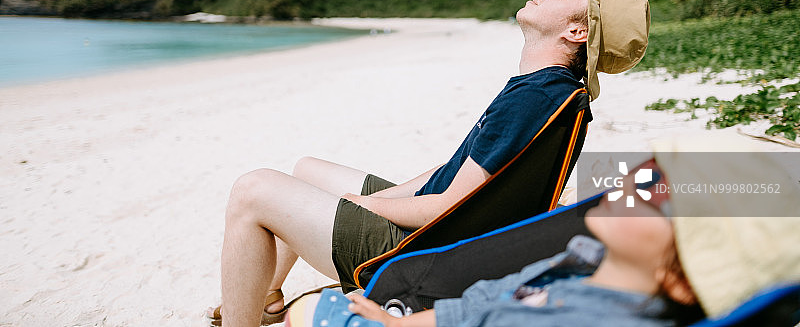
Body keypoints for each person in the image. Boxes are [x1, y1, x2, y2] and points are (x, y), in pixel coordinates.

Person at [207, 0, 651, 327]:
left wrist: (365, 207)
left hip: (412, 250)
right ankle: (266, 297)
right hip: (438, 228)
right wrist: (388, 198)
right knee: (306, 170)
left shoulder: (533, 98)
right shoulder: (550, 92)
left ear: (576, 31)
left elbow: (449, 205)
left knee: (252, 190)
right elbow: (454, 172)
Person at [286, 140, 800, 327]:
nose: (633, 180)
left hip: (419, 248)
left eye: (658, 190)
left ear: (683, 279)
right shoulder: (581, 258)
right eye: (649, 167)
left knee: (309, 310)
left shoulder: (595, 322)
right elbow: (479, 305)